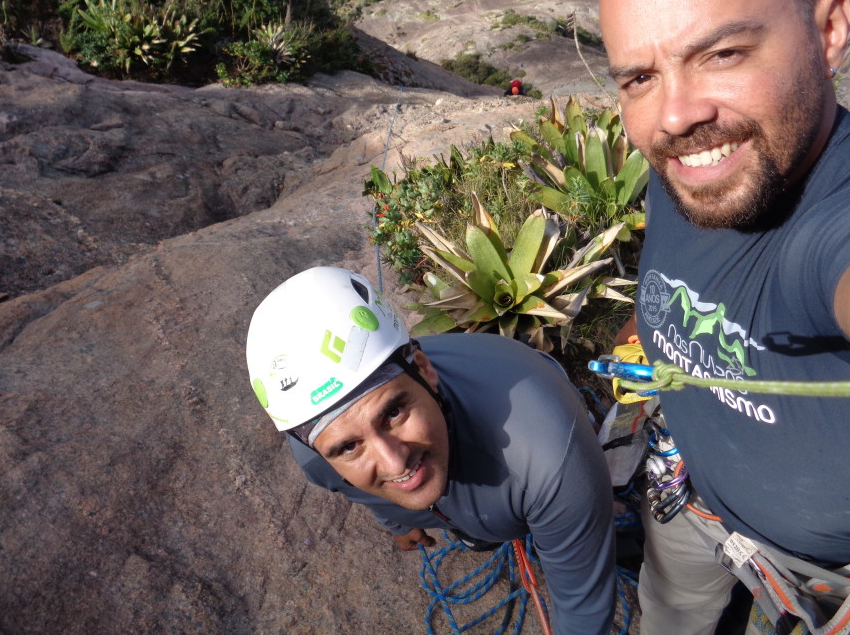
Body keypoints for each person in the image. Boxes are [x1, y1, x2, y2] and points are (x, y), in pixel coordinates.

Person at [598, 0, 850, 635]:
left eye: (722, 53)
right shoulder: (686, 164)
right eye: (639, 79)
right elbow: (676, 274)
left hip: (839, 588)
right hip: (690, 501)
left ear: (830, 31)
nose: (677, 114)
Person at [245, 266, 617, 635]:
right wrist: (399, 523)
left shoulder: (551, 463)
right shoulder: (315, 457)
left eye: (392, 413)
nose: (394, 461)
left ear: (424, 370)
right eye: (348, 447)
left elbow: (583, 611)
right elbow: (364, 490)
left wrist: (562, 519)